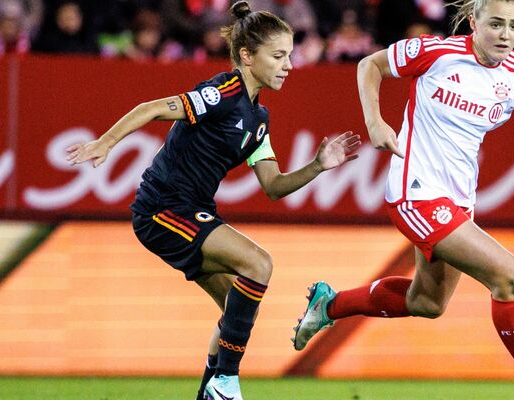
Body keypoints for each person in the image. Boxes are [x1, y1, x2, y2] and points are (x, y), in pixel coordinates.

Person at [291, 0, 514, 399]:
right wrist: (375, 121)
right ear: (474, 21)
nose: (505, 34)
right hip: (414, 193)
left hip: (457, 202)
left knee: (427, 302)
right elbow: (370, 65)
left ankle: (328, 305)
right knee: (508, 275)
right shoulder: (437, 52)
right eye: (496, 24)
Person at [65, 2, 360, 400]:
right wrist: (105, 143)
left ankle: (211, 390)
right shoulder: (224, 91)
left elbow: (273, 186)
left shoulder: (259, 119)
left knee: (236, 312)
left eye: (289, 54)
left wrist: (318, 166)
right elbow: (152, 108)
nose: (289, 64)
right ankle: (225, 382)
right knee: (259, 263)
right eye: (278, 55)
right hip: (162, 210)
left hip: (191, 211)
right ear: (246, 56)